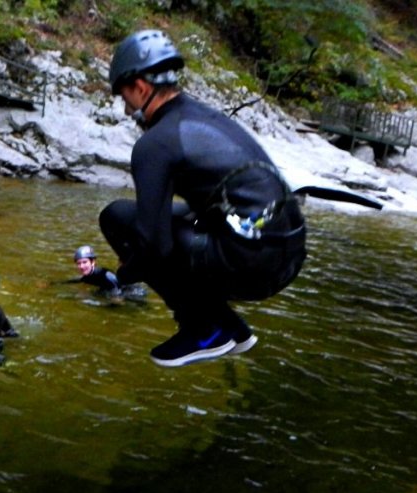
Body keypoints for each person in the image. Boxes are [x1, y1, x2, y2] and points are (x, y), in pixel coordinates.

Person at [100, 29, 306, 368]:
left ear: (140, 87)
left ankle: (203, 329)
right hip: (288, 254)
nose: (126, 110)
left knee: (118, 218)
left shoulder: (156, 144)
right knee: (170, 221)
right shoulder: (204, 118)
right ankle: (231, 328)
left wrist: (124, 274)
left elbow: (155, 246)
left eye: (125, 98)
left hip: (253, 264)